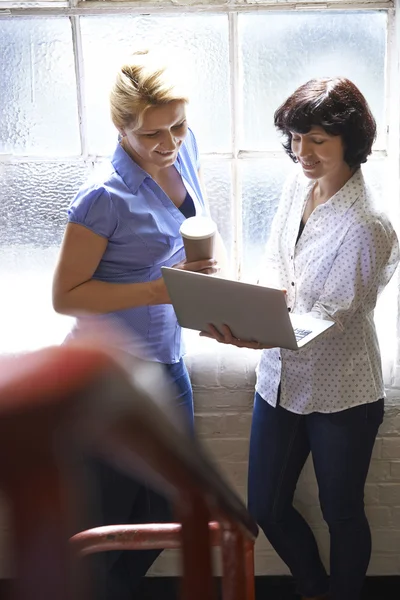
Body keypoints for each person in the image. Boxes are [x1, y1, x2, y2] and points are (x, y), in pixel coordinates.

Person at [202, 77, 399, 600]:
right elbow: (275, 264)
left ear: (349, 141)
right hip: (280, 379)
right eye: (295, 137)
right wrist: (246, 313)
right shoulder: (297, 185)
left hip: (343, 391)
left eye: (317, 139)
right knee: (264, 505)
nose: (302, 152)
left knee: (342, 511)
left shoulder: (369, 226)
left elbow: (332, 313)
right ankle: (313, 587)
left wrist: (258, 332)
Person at [52, 50, 221, 599]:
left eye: (178, 125)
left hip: (166, 357)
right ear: (120, 127)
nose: (170, 143)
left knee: (173, 503)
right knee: (112, 517)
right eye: (153, 134)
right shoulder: (103, 196)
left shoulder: (182, 148)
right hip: (112, 373)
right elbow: (66, 296)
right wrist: (166, 287)